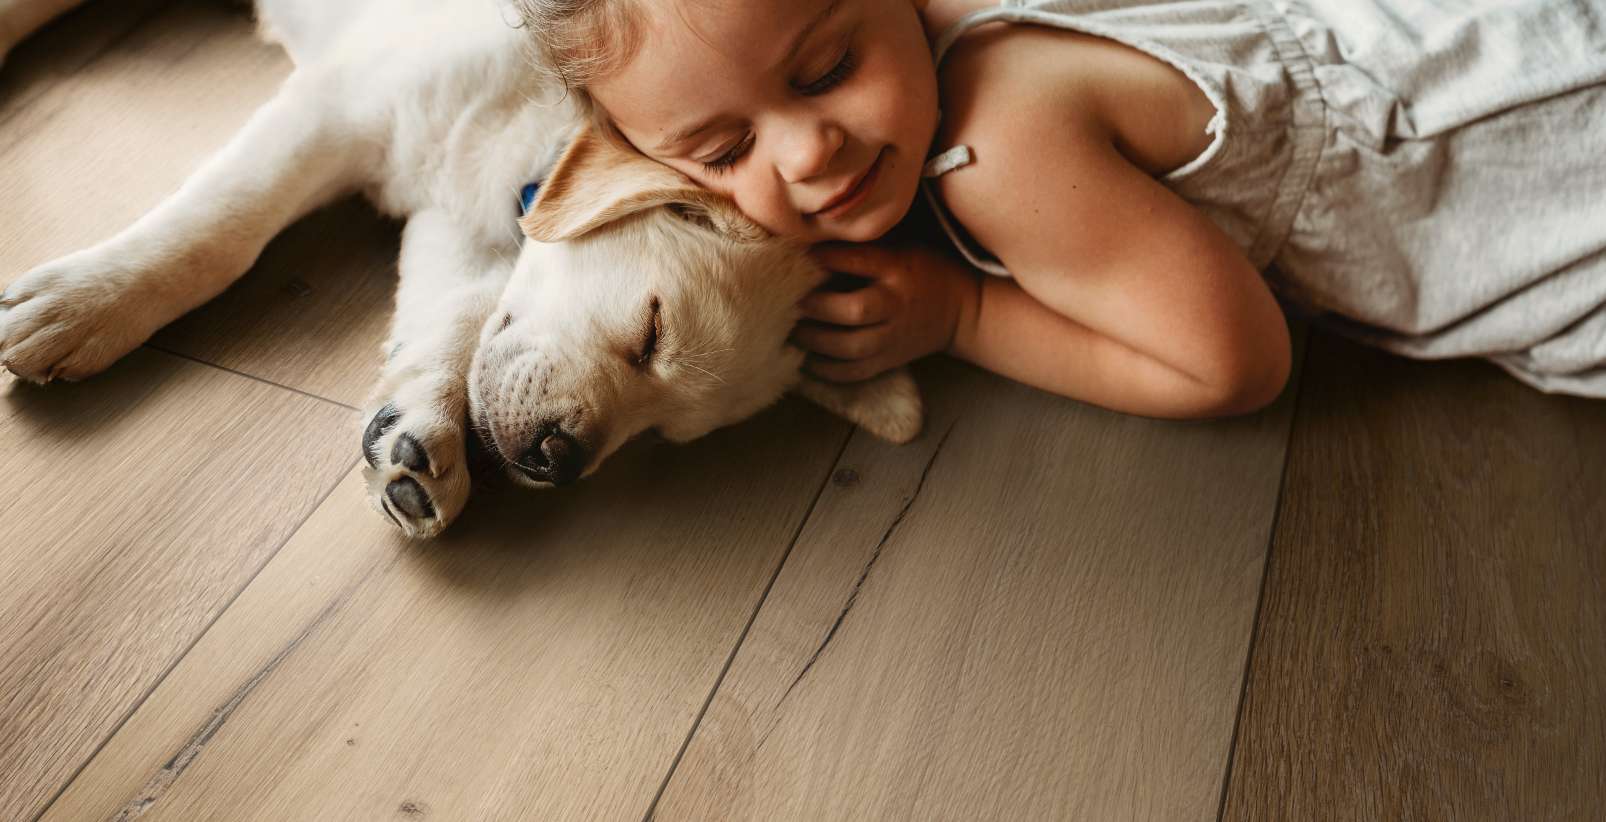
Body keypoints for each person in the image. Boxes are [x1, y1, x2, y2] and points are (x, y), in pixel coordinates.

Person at [514, 0, 1606, 418]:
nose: (807, 152)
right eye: (724, 152)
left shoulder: (1001, 151)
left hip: (1522, 177)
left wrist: (963, 316)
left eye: (829, 66)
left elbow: (1233, 364)